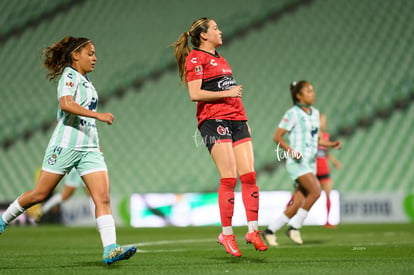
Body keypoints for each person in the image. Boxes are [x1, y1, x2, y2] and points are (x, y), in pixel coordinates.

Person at [0, 36, 136, 264]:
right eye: (90, 53)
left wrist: (95, 137)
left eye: (94, 54)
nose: (95, 58)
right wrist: (98, 115)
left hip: (89, 148)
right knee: (40, 194)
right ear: (75, 55)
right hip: (65, 145)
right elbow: (66, 104)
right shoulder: (69, 76)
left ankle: (110, 249)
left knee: (102, 198)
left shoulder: (87, 81)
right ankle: (3, 221)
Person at [172, 17, 267, 257]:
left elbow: (232, 94)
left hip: (236, 120)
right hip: (214, 121)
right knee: (228, 177)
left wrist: (244, 120)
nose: (220, 31)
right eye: (215, 28)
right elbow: (195, 93)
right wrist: (228, 92)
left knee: (249, 175)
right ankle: (226, 233)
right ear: (203, 35)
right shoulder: (196, 58)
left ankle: (253, 231)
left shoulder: (220, 59)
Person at [262, 81, 341, 246]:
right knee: (316, 191)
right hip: (297, 162)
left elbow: (317, 138)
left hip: (310, 163)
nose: (313, 94)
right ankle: (294, 227)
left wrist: (331, 144)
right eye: (308, 91)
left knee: (298, 201)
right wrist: (291, 151)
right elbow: (277, 137)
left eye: (313, 91)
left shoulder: (315, 113)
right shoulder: (293, 113)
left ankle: (270, 230)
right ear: (298, 95)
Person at [27, 168, 94, 222]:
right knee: (65, 196)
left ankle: (97, 222)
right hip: (77, 169)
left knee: (92, 196)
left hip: (86, 168)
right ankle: (41, 210)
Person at [316, 113, 342, 228]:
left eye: (324, 120)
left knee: (328, 194)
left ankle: (327, 220)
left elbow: (325, 152)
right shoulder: (312, 135)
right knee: (300, 194)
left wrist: (334, 161)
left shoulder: (326, 135)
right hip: (313, 170)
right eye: (322, 120)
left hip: (324, 169)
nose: (324, 122)